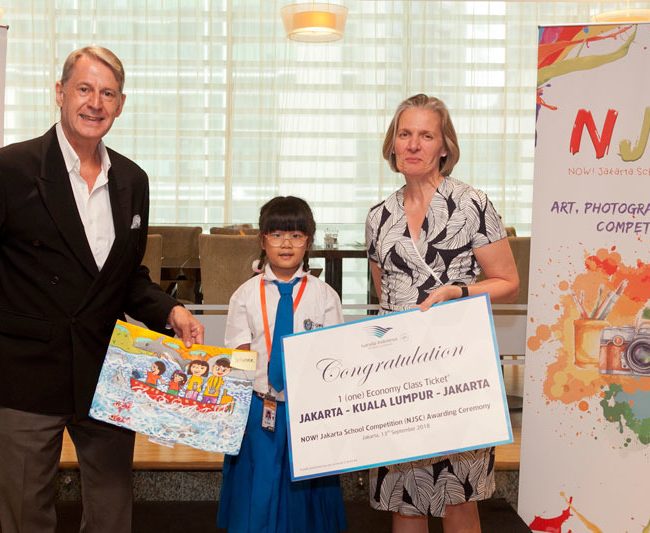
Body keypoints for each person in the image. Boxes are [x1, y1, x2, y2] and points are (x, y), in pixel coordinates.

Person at [0, 46, 205, 533]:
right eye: (84, 89)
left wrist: (171, 310)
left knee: (112, 513)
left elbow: (124, 276)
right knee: (24, 514)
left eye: (108, 93)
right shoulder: (11, 169)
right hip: (26, 373)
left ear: (121, 104)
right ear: (60, 93)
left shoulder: (132, 180)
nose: (95, 103)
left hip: (108, 370)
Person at [365, 94, 519, 533]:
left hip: (457, 368)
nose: (413, 144)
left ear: (444, 147)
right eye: (405, 134)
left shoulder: (471, 204)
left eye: (426, 135)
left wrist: (458, 292)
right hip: (398, 373)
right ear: (393, 144)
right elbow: (384, 293)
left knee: (458, 495)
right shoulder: (379, 216)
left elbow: (507, 281)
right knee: (405, 497)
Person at [217, 196, 347, 533]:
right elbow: (239, 355)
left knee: (305, 489)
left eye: (296, 235)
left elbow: (333, 357)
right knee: (260, 486)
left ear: (308, 241)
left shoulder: (324, 296)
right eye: (276, 235)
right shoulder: (244, 295)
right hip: (260, 406)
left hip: (308, 410)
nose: (286, 244)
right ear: (263, 241)